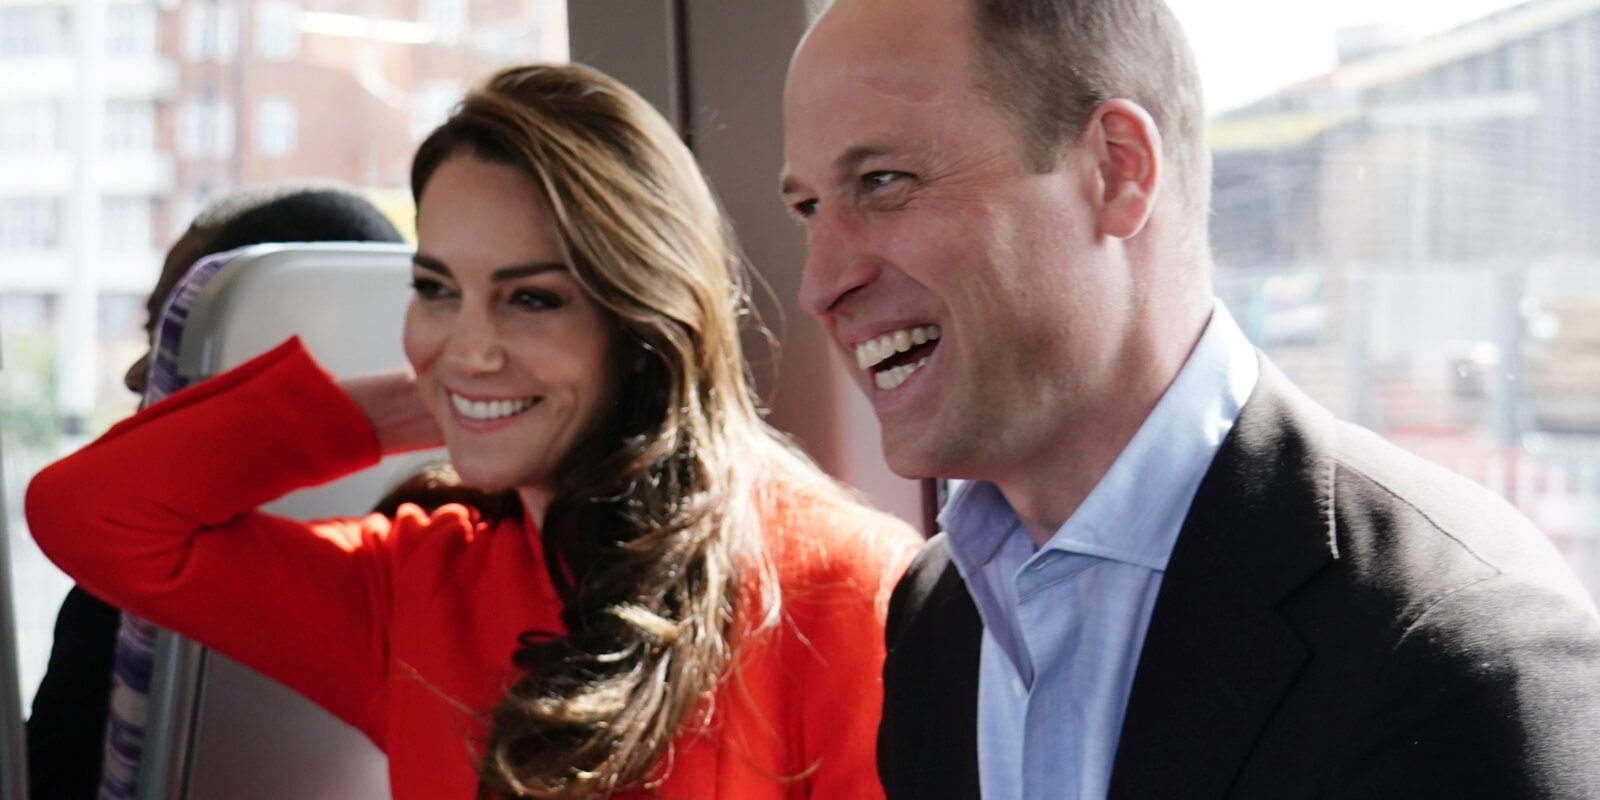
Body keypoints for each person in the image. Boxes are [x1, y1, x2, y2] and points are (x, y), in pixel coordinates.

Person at [28, 62, 919, 799]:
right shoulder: (419, 582)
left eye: (531, 300)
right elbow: (91, 514)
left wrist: (489, 393)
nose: (470, 344)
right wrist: (439, 399)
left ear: (641, 326)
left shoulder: (841, 587)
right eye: (437, 290)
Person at [779, 0, 1600, 798]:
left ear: (1118, 168)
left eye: (883, 181)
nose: (820, 283)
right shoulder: (937, 618)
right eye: (810, 206)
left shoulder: (1457, 643)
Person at [25, 184, 405, 800]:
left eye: (173, 335)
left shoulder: (131, 568)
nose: (137, 373)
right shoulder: (430, 548)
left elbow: (53, 777)